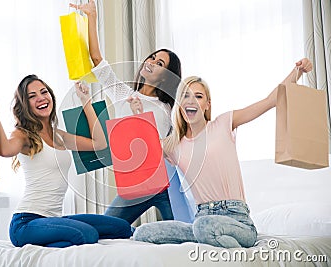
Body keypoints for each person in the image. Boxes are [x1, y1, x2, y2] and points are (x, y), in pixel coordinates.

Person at [133, 58, 313, 248]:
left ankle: (236, 255)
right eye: (185, 96)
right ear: (179, 104)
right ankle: (208, 237)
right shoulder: (173, 146)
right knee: (143, 232)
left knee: (203, 227)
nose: (191, 100)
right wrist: (138, 113)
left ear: (207, 105)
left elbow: (270, 100)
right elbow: (144, 145)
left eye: (198, 96)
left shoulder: (223, 124)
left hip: (238, 221)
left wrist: (297, 73)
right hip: (202, 220)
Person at [0, 75, 132, 248]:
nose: (41, 98)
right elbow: (5, 150)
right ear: (25, 105)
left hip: (52, 220)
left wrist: (85, 100)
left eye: (44, 92)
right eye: (32, 96)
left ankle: (56, 241)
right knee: (87, 234)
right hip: (26, 223)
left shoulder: (60, 135)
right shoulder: (23, 135)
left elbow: (99, 144)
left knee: (122, 228)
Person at [70, 0, 183, 224]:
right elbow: (97, 61)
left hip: (165, 184)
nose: (152, 62)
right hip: (135, 182)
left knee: (181, 233)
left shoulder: (169, 108)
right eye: (152, 57)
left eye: (159, 63)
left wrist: (140, 116)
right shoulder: (123, 93)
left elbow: (162, 144)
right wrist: (92, 17)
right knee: (107, 228)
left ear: (165, 76)